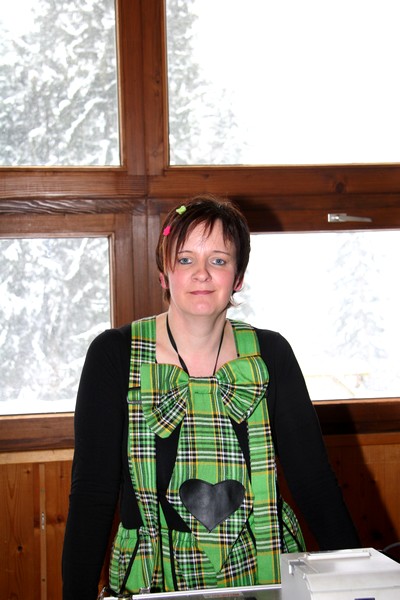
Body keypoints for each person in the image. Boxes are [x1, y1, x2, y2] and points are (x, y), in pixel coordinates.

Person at [62, 195, 360, 599]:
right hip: (151, 581)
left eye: (218, 260)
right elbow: (92, 494)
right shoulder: (114, 355)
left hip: (266, 575)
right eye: (185, 259)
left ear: (238, 277)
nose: (201, 273)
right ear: (164, 274)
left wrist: (358, 582)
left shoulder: (272, 354)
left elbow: (315, 483)